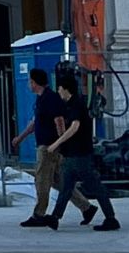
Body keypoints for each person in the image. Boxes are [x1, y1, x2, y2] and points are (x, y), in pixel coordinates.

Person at [15, 67, 92, 228]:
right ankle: (86, 207)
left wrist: (61, 143)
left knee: (42, 180)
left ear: (35, 83)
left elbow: (59, 120)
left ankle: (39, 215)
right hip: (47, 145)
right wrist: (21, 138)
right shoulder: (41, 99)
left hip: (49, 147)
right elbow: (36, 123)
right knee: (60, 182)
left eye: (30, 81)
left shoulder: (50, 98)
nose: (29, 84)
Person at [44, 79, 120, 231]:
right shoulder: (70, 105)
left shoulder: (77, 105)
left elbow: (75, 127)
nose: (58, 92)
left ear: (65, 89)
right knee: (66, 188)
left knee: (95, 186)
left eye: (59, 88)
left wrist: (56, 143)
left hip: (80, 155)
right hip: (71, 154)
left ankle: (111, 218)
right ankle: (55, 217)